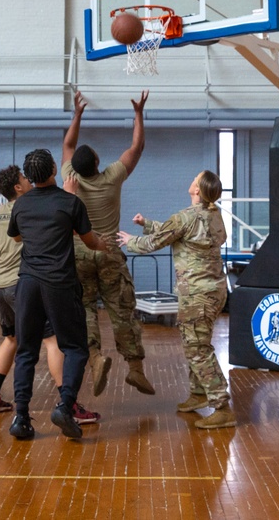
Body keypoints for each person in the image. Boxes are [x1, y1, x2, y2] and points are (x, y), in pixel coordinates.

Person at [0, 165, 100, 425]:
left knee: (14, 342)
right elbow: (75, 230)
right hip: (25, 283)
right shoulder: (33, 206)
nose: (27, 180)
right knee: (54, 342)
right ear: (18, 187)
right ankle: (68, 405)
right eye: (22, 178)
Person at [117, 170, 235, 430]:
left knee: (197, 349)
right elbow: (177, 232)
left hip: (196, 294)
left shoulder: (186, 217)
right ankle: (199, 393)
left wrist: (130, 241)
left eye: (195, 177)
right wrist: (147, 223)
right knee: (197, 343)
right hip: (214, 291)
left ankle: (221, 405)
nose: (191, 178)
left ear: (197, 190)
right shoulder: (214, 216)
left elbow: (158, 241)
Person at [7, 148, 109, 441]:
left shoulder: (21, 205)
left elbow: (16, 236)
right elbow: (90, 242)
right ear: (54, 168)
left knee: (26, 351)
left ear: (28, 177)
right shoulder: (70, 202)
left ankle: (21, 417)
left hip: (27, 284)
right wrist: (107, 245)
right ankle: (65, 406)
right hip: (59, 284)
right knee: (75, 347)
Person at [61, 89, 155, 397]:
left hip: (79, 253)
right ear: (99, 162)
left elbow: (68, 144)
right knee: (121, 309)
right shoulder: (112, 176)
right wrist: (138, 113)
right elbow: (137, 147)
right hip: (110, 252)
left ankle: (95, 358)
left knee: (85, 308)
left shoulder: (69, 177)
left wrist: (77, 114)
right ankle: (136, 370)